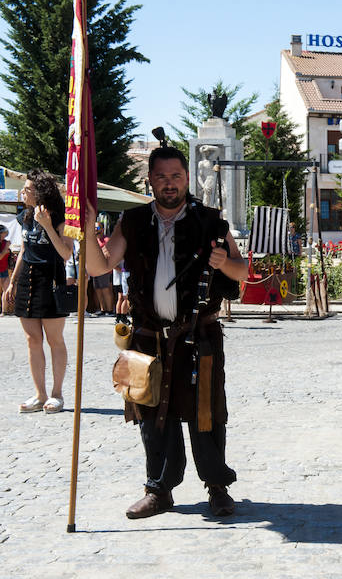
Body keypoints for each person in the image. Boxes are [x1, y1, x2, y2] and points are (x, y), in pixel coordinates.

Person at [82, 144, 248, 520]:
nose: (169, 184)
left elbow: (242, 272)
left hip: (199, 336)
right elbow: (98, 266)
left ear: (187, 179)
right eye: (161, 177)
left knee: (207, 413)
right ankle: (159, 490)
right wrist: (89, 228)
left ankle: (217, 486)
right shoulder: (133, 221)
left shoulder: (211, 222)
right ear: (150, 180)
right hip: (148, 339)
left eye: (176, 176)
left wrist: (225, 262)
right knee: (154, 415)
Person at [4, 170, 75, 414]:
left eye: (28, 189)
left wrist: (47, 226)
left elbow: (66, 253)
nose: (23, 192)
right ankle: (39, 394)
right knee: (32, 340)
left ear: (41, 193)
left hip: (51, 280)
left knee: (55, 340)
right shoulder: (24, 215)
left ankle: (57, 394)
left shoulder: (59, 217)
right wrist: (12, 282)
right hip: (27, 280)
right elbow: (24, 249)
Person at [91, 222, 116, 317]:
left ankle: (109, 310)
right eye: (94, 227)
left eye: (97, 227)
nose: (95, 229)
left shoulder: (107, 239)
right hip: (95, 269)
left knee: (105, 289)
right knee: (98, 289)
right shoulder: (94, 240)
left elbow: (109, 254)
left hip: (104, 269)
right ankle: (102, 309)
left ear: (102, 229)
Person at [0, 224, 11, 315]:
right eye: (4, 233)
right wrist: (6, 248)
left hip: (4, 269)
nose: (6, 234)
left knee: (6, 290)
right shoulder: (5, 244)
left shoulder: (5, 242)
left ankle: (4, 311)